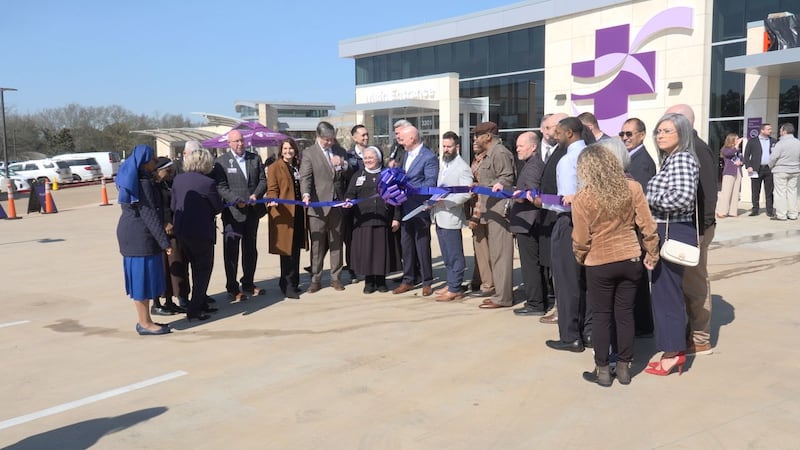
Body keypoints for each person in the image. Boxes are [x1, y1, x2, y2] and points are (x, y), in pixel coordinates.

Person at [572, 144, 660, 386]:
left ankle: (602, 370)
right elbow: (647, 225)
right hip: (630, 256)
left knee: (601, 316)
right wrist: (651, 251)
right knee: (625, 315)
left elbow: (580, 238)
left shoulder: (582, 198)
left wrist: (581, 257)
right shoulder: (632, 188)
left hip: (599, 261)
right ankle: (624, 368)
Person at [645, 112, 699, 376]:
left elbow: (682, 198)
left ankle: (673, 352)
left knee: (667, 295)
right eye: (659, 131)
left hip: (672, 231)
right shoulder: (671, 160)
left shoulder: (681, 159)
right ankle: (672, 348)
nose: (661, 135)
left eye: (667, 131)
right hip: (670, 230)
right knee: (665, 292)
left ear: (682, 134)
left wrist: (649, 197)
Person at [666, 104, 718, 356]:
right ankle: (689, 331)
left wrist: (702, 229)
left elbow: (708, 194)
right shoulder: (681, 150)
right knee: (685, 283)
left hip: (697, 229)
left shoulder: (698, 149)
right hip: (685, 228)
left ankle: (700, 338)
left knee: (695, 283)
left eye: (670, 121)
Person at [544, 116, 595, 352]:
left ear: (570, 134)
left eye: (558, 132)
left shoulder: (567, 161)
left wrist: (541, 201)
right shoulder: (594, 155)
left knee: (566, 282)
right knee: (586, 281)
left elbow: (565, 201)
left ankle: (570, 336)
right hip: (592, 224)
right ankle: (589, 331)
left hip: (570, 223)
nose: (555, 136)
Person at [115, 144, 172, 336]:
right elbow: (149, 214)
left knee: (143, 280)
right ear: (145, 162)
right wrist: (165, 243)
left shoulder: (132, 177)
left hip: (131, 234)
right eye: (153, 159)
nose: (156, 162)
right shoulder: (143, 183)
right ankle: (144, 323)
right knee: (142, 281)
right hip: (140, 236)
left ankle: (145, 320)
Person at [214, 129, 267, 301]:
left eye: (241, 140)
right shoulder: (221, 162)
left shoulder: (254, 158)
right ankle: (232, 287)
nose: (239, 144)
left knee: (250, 249)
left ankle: (249, 283)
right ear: (229, 143)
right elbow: (221, 187)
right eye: (235, 141)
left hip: (252, 212)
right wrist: (235, 199)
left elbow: (262, 180)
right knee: (232, 252)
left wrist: (256, 195)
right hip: (233, 214)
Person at [300, 121, 353, 293]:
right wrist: (305, 195)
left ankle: (335, 278)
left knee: (336, 242)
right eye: (326, 140)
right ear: (318, 136)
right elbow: (305, 177)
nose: (330, 142)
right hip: (317, 207)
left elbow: (349, 173)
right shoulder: (309, 153)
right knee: (318, 245)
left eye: (332, 139)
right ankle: (316, 279)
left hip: (337, 204)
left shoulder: (339, 151)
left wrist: (342, 165)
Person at [172, 148, 223, 321]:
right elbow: (217, 207)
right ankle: (195, 309)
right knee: (202, 270)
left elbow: (173, 205)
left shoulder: (178, 180)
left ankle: (198, 302)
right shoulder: (207, 183)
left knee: (193, 267)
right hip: (201, 232)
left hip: (182, 231)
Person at [344, 146, 402, 293]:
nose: (368, 160)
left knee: (381, 253)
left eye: (371, 157)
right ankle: (369, 282)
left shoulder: (387, 175)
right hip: (363, 220)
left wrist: (396, 218)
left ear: (379, 159)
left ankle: (381, 281)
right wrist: (348, 200)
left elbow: (396, 197)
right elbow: (350, 193)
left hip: (383, 220)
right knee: (367, 252)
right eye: (366, 158)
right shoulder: (358, 175)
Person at [473, 121, 516, 309]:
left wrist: (493, 186)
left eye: (477, 135)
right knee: (495, 254)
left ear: (488, 136)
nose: (475, 139)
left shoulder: (499, 153)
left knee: (501, 255)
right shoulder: (489, 154)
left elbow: (507, 178)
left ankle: (503, 298)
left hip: (499, 210)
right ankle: (499, 293)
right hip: (490, 210)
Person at [392, 125, 439, 297]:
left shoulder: (428, 157)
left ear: (412, 138)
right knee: (406, 246)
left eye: (402, 138)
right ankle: (408, 279)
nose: (399, 140)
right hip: (405, 207)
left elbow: (430, 183)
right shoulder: (405, 155)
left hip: (420, 208)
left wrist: (408, 188)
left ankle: (427, 281)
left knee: (422, 245)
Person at [431, 131, 473, 302]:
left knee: (455, 254)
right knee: (447, 254)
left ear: (457, 147)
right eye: (444, 146)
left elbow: (466, 193)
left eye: (449, 146)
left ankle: (456, 287)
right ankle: (451, 283)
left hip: (451, 215)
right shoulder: (444, 163)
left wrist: (447, 202)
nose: (446, 149)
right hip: (439, 216)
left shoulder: (462, 167)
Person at [510, 131, 548, 316]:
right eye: (517, 145)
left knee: (530, 265)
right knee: (534, 264)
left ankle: (535, 304)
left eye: (521, 145)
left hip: (528, 222)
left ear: (533, 147)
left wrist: (522, 197)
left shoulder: (533, 166)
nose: (517, 148)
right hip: (528, 221)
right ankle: (540, 300)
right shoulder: (531, 163)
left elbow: (533, 192)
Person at [267, 138, 309, 299]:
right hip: (284, 214)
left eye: (291, 148)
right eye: (285, 148)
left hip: (298, 213)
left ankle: (295, 282)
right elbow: (272, 189)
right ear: (281, 150)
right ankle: (286, 285)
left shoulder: (297, 167)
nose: (288, 151)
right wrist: (272, 200)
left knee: (296, 249)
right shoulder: (274, 167)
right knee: (286, 252)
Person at [536, 112, 567, 323]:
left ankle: (562, 309)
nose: (552, 132)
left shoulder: (568, 152)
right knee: (552, 264)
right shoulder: (556, 149)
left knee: (562, 268)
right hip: (548, 214)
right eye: (548, 128)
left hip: (562, 215)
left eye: (556, 127)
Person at [152, 157, 188, 315]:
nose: (172, 172)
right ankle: (156, 303)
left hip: (173, 231)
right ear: (160, 170)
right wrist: (165, 222)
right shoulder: (153, 186)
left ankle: (170, 300)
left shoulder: (168, 183)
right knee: (161, 268)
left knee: (175, 264)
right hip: (159, 232)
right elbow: (156, 208)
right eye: (169, 170)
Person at [466, 138, 494, 298]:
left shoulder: (489, 159)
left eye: (478, 139)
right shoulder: (475, 160)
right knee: (479, 248)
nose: (475, 142)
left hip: (484, 209)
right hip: (475, 207)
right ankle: (479, 279)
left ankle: (488, 284)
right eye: (473, 139)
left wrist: (475, 216)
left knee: (485, 250)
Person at [343, 125, 370, 283]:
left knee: (367, 237)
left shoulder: (374, 152)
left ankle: (368, 267)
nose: (366, 138)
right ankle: (352, 268)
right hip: (353, 203)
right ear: (354, 138)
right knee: (351, 238)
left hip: (370, 202)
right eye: (362, 135)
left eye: (367, 135)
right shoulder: (348, 156)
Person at [768, 123, 800, 221]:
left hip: (781, 171)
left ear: (784, 131)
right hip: (795, 170)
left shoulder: (780, 143)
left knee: (780, 193)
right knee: (793, 192)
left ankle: (781, 215)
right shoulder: (798, 142)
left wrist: (770, 166)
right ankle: (793, 214)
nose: (780, 132)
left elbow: (773, 158)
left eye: (781, 130)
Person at [744, 123, 776, 217]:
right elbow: (746, 155)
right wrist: (748, 166)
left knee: (769, 191)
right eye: (768, 129)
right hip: (755, 169)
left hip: (769, 169)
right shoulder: (753, 141)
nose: (770, 131)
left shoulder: (773, 141)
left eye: (770, 129)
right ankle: (755, 210)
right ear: (762, 130)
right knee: (755, 190)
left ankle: (769, 210)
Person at [619, 117, 656, 193]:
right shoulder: (629, 157)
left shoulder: (642, 162)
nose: (625, 138)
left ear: (642, 135)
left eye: (629, 134)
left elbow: (641, 194)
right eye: (622, 134)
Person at [716, 133, 744, 218]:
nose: (738, 140)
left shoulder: (737, 150)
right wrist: (736, 146)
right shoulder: (726, 149)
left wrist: (741, 162)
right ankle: (722, 211)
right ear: (732, 140)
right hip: (729, 172)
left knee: (735, 193)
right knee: (726, 192)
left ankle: (733, 211)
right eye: (736, 139)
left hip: (738, 171)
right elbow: (729, 154)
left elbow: (742, 158)